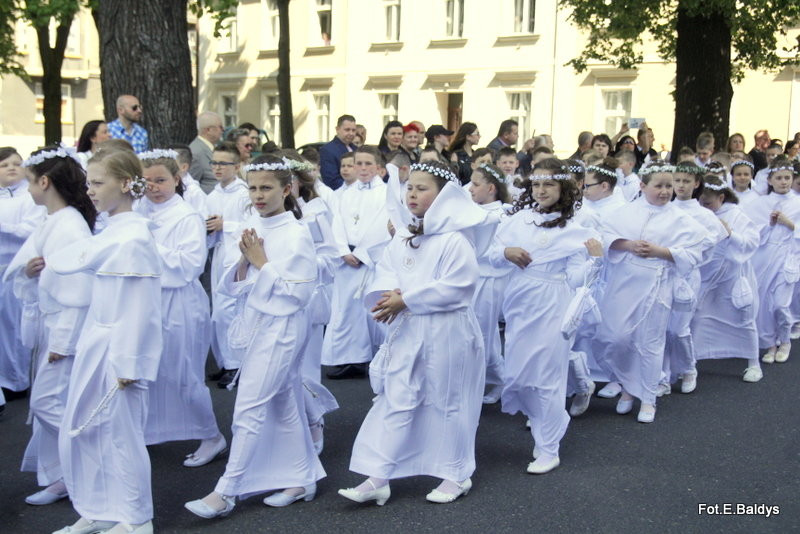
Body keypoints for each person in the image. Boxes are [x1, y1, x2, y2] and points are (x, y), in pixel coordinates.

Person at [338, 161, 497, 505]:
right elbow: (387, 271)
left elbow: (459, 287)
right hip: (410, 329)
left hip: (448, 331)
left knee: (447, 400)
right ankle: (379, 474)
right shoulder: (405, 237)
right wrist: (387, 298)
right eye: (409, 187)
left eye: (422, 188)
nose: (412, 193)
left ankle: (455, 473)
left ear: (443, 197)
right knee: (398, 397)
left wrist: (406, 299)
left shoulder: (455, 240)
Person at [185, 154, 324, 518]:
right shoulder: (250, 225)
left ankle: (227, 490)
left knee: (248, 407)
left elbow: (300, 295)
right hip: (259, 322)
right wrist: (247, 261)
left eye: (267, 187)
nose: (259, 195)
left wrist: (261, 263)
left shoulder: (297, 232)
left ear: (287, 189)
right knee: (283, 402)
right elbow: (231, 286)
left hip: (283, 328)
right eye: (253, 187)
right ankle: (302, 478)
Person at [49, 148, 162, 534]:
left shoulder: (133, 238)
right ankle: (102, 506)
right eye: (88, 183)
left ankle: (135, 516)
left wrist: (130, 362)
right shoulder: (113, 230)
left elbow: (140, 308)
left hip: (119, 349)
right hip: (98, 341)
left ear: (126, 184)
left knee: (121, 433)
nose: (90, 191)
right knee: (90, 428)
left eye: (98, 183)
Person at [490, 157, 602, 473]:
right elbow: (488, 255)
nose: (541, 190)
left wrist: (595, 261)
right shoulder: (518, 220)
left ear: (563, 188)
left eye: (549, 184)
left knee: (547, 378)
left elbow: (580, 279)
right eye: (537, 184)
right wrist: (505, 252)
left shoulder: (575, 229)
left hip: (554, 303)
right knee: (519, 374)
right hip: (519, 303)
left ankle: (548, 446)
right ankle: (548, 417)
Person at [5, 147, 95, 507]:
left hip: (64, 332)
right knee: (50, 404)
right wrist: (29, 273)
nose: (26, 189)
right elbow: (37, 270)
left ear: (45, 182)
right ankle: (62, 475)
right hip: (52, 326)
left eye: (29, 181)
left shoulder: (69, 225)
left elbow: (77, 292)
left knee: (49, 402)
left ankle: (89, 466)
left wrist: (63, 342)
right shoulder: (53, 220)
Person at [592, 160, 707, 424]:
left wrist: (662, 252)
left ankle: (648, 398)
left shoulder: (681, 218)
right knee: (616, 337)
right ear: (643, 186)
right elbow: (605, 235)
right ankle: (626, 384)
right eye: (659, 185)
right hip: (625, 282)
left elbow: (695, 251)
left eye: (669, 186)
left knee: (650, 342)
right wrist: (627, 244)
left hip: (658, 284)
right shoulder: (626, 212)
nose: (665, 191)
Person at [136, 149, 226, 465]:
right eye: (146, 181)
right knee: (147, 370)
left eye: (160, 180)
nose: (153, 187)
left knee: (183, 372)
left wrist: (148, 243)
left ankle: (211, 435)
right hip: (146, 301)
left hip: (179, 303)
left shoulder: (186, 216)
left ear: (177, 179)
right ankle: (149, 430)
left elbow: (189, 266)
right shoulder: (137, 212)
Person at [284, 153, 340, 454]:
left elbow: (330, 257)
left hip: (306, 298)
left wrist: (300, 264)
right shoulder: (272, 214)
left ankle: (313, 420)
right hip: (277, 298)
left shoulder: (314, 211)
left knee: (304, 366)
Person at [322, 146, 391, 379]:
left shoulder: (386, 193)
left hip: (369, 260)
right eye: (358, 163)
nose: (362, 168)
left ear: (378, 167)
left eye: (367, 163)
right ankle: (347, 357)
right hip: (347, 260)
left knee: (369, 310)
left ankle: (373, 355)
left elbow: (383, 227)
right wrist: (342, 250)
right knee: (345, 311)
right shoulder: (347, 194)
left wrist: (361, 254)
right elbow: (336, 222)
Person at [660, 164, 728, 396]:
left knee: (679, 328)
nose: (680, 185)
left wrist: (688, 252)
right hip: (665, 272)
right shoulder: (665, 209)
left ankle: (689, 368)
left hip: (688, 275)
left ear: (696, 184)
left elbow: (715, 239)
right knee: (661, 326)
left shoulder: (704, 215)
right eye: (676, 180)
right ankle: (663, 374)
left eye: (686, 181)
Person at [693, 174, 763, 382]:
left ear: (722, 198)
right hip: (707, 274)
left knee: (742, 317)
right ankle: (692, 362)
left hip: (733, 275)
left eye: (709, 202)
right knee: (698, 317)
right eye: (701, 202)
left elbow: (752, 241)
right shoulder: (701, 215)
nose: (704, 206)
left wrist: (731, 234)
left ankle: (753, 363)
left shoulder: (737, 215)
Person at [742, 156, 800, 364]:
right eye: (779, 178)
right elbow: (751, 230)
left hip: (788, 256)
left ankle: (785, 340)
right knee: (765, 303)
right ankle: (770, 343)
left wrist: (789, 223)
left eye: (787, 177)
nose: (784, 181)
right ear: (770, 180)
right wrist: (769, 224)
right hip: (765, 257)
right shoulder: (761, 203)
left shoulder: (797, 202)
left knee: (780, 304)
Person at [0, 147, 45, 401]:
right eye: (4, 164)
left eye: (17, 163)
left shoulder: (29, 198)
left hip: (18, 269)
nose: (11, 167)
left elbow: (30, 229)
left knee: (17, 327)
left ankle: (19, 379)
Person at [206, 142, 250, 388]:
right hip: (220, 254)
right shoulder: (213, 195)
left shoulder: (244, 193)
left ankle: (236, 365)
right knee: (218, 314)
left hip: (236, 256)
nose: (217, 168)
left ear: (237, 166)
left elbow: (251, 224)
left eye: (223, 163)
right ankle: (224, 361)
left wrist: (227, 225)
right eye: (214, 163)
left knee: (229, 312)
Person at [468, 163, 510, 404]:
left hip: (491, 279)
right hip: (474, 277)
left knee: (481, 333)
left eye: (476, 184)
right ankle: (498, 379)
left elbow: (498, 249)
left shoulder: (501, 214)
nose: (470, 188)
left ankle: (473, 386)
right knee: (483, 334)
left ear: (491, 188)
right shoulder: (473, 209)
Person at [165, 143, 209, 218]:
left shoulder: (194, 193)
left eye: (170, 164)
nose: (164, 167)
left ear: (184, 167)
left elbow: (203, 219)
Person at [319, 114, 357, 190]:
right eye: (347, 130)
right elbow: (331, 180)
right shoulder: (328, 150)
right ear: (337, 129)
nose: (351, 133)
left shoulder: (356, 148)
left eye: (353, 130)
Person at [190, 111, 225, 194]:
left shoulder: (210, 148)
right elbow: (191, 184)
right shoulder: (196, 152)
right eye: (220, 127)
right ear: (208, 130)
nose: (223, 130)